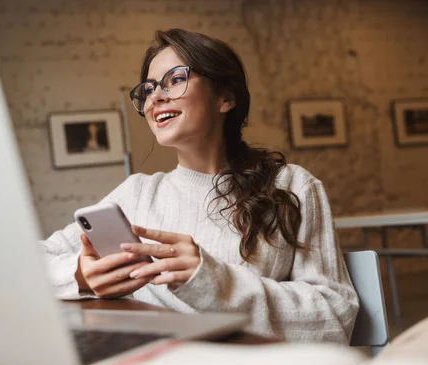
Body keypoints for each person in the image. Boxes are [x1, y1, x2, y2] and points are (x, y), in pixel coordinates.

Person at [41, 29, 359, 343]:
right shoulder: (137, 193)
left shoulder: (293, 186)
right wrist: (80, 273)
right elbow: (33, 262)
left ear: (226, 97)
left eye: (176, 79)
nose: (155, 98)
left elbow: (336, 314)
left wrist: (215, 282)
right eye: (148, 89)